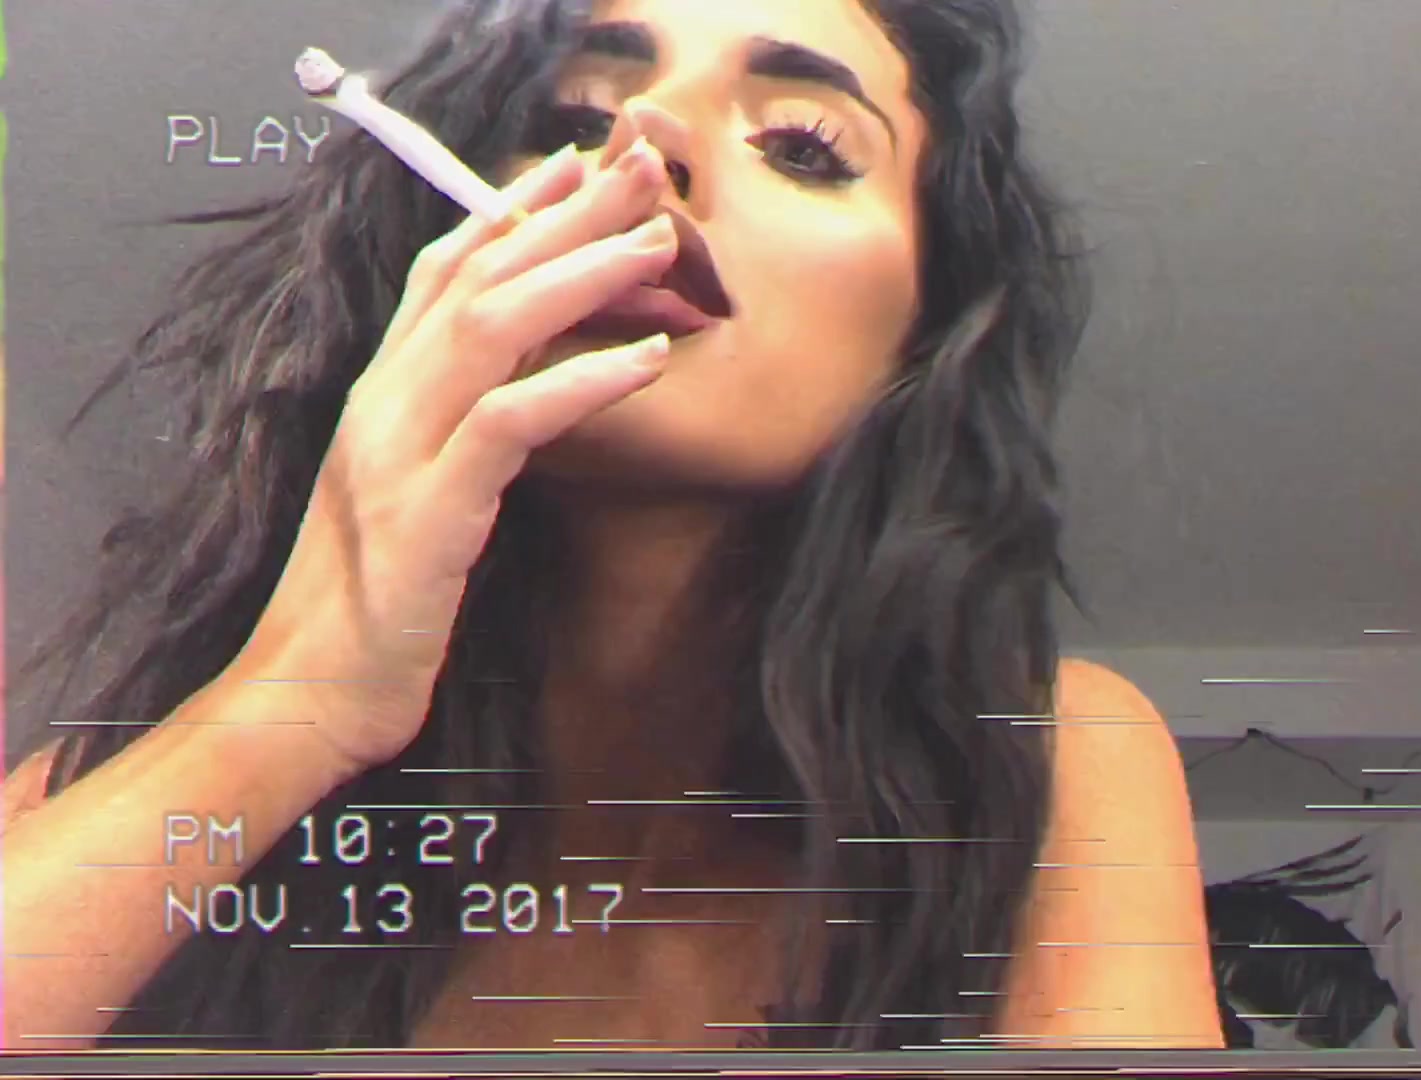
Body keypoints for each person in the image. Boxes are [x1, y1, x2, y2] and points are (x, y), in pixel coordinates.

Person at [0, 0, 1220, 1053]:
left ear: (925, 331)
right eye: (577, 121)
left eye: (802, 145)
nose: (647, 141)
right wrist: (295, 697)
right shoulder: (103, 803)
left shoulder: (1040, 771)